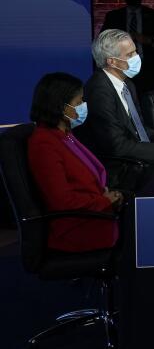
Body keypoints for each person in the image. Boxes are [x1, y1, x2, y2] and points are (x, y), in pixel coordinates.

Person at [75, 29, 154, 190]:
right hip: (119, 169)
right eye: (130, 54)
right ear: (111, 61)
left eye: (135, 51)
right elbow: (116, 146)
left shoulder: (128, 84)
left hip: (138, 159)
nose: (137, 57)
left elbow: (139, 129)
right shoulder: (99, 90)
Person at [26, 73, 123, 252]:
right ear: (62, 107)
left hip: (98, 214)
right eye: (78, 103)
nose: (83, 107)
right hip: (78, 227)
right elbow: (62, 201)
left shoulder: (65, 134)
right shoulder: (44, 143)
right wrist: (103, 201)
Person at [100, 0, 154, 97]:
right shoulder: (113, 17)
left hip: (149, 69)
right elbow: (103, 41)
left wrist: (149, 40)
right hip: (122, 68)